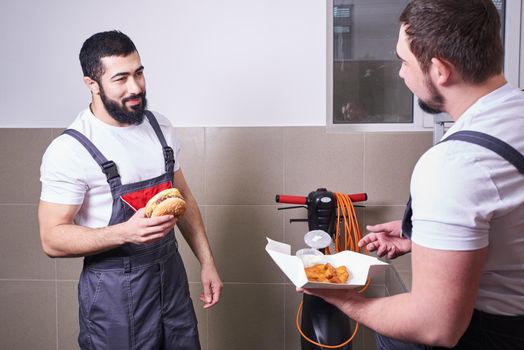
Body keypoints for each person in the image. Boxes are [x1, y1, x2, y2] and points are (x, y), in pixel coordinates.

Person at [301, 1, 524, 349]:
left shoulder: (455, 164)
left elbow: (435, 326)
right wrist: (424, 237)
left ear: (439, 70)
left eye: (404, 61)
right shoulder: (513, 115)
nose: (401, 73)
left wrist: (344, 299)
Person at [38, 30, 222, 350]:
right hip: (113, 295)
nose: (135, 87)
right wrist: (125, 232)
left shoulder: (159, 127)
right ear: (91, 84)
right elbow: (51, 238)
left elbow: (184, 199)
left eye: (139, 73)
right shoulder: (70, 149)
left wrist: (207, 261)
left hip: (171, 279)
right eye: (120, 78)